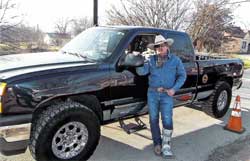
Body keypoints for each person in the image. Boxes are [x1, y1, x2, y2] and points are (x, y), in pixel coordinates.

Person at [136, 35, 186, 158]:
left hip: (166, 94)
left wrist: (174, 89)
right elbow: (141, 72)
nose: (160, 48)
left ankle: (166, 145)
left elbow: (182, 75)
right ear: (155, 48)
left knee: (167, 119)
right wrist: (138, 59)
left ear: (167, 46)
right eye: (157, 46)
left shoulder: (175, 60)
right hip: (152, 93)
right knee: (153, 119)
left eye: (162, 45)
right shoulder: (151, 59)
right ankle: (157, 143)